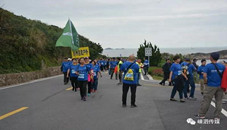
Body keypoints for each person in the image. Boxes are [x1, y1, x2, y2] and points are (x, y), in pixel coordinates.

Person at [195, 52, 225, 120]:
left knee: (206, 100)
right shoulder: (222, 66)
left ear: (211, 58)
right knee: (219, 101)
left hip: (210, 85)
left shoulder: (208, 66)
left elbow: (204, 75)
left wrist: (206, 82)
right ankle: (217, 116)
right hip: (220, 86)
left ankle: (202, 115)